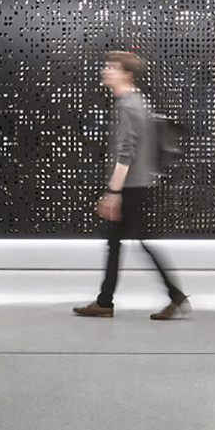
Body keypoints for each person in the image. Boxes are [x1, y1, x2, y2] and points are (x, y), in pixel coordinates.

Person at [73, 50, 190, 321]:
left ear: (127, 74)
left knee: (142, 240)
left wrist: (113, 193)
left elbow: (125, 153)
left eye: (111, 67)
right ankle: (105, 301)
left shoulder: (127, 106)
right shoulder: (140, 101)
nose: (105, 70)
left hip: (131, 187)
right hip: (140, 183)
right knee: (117, 241)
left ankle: (174, 295)